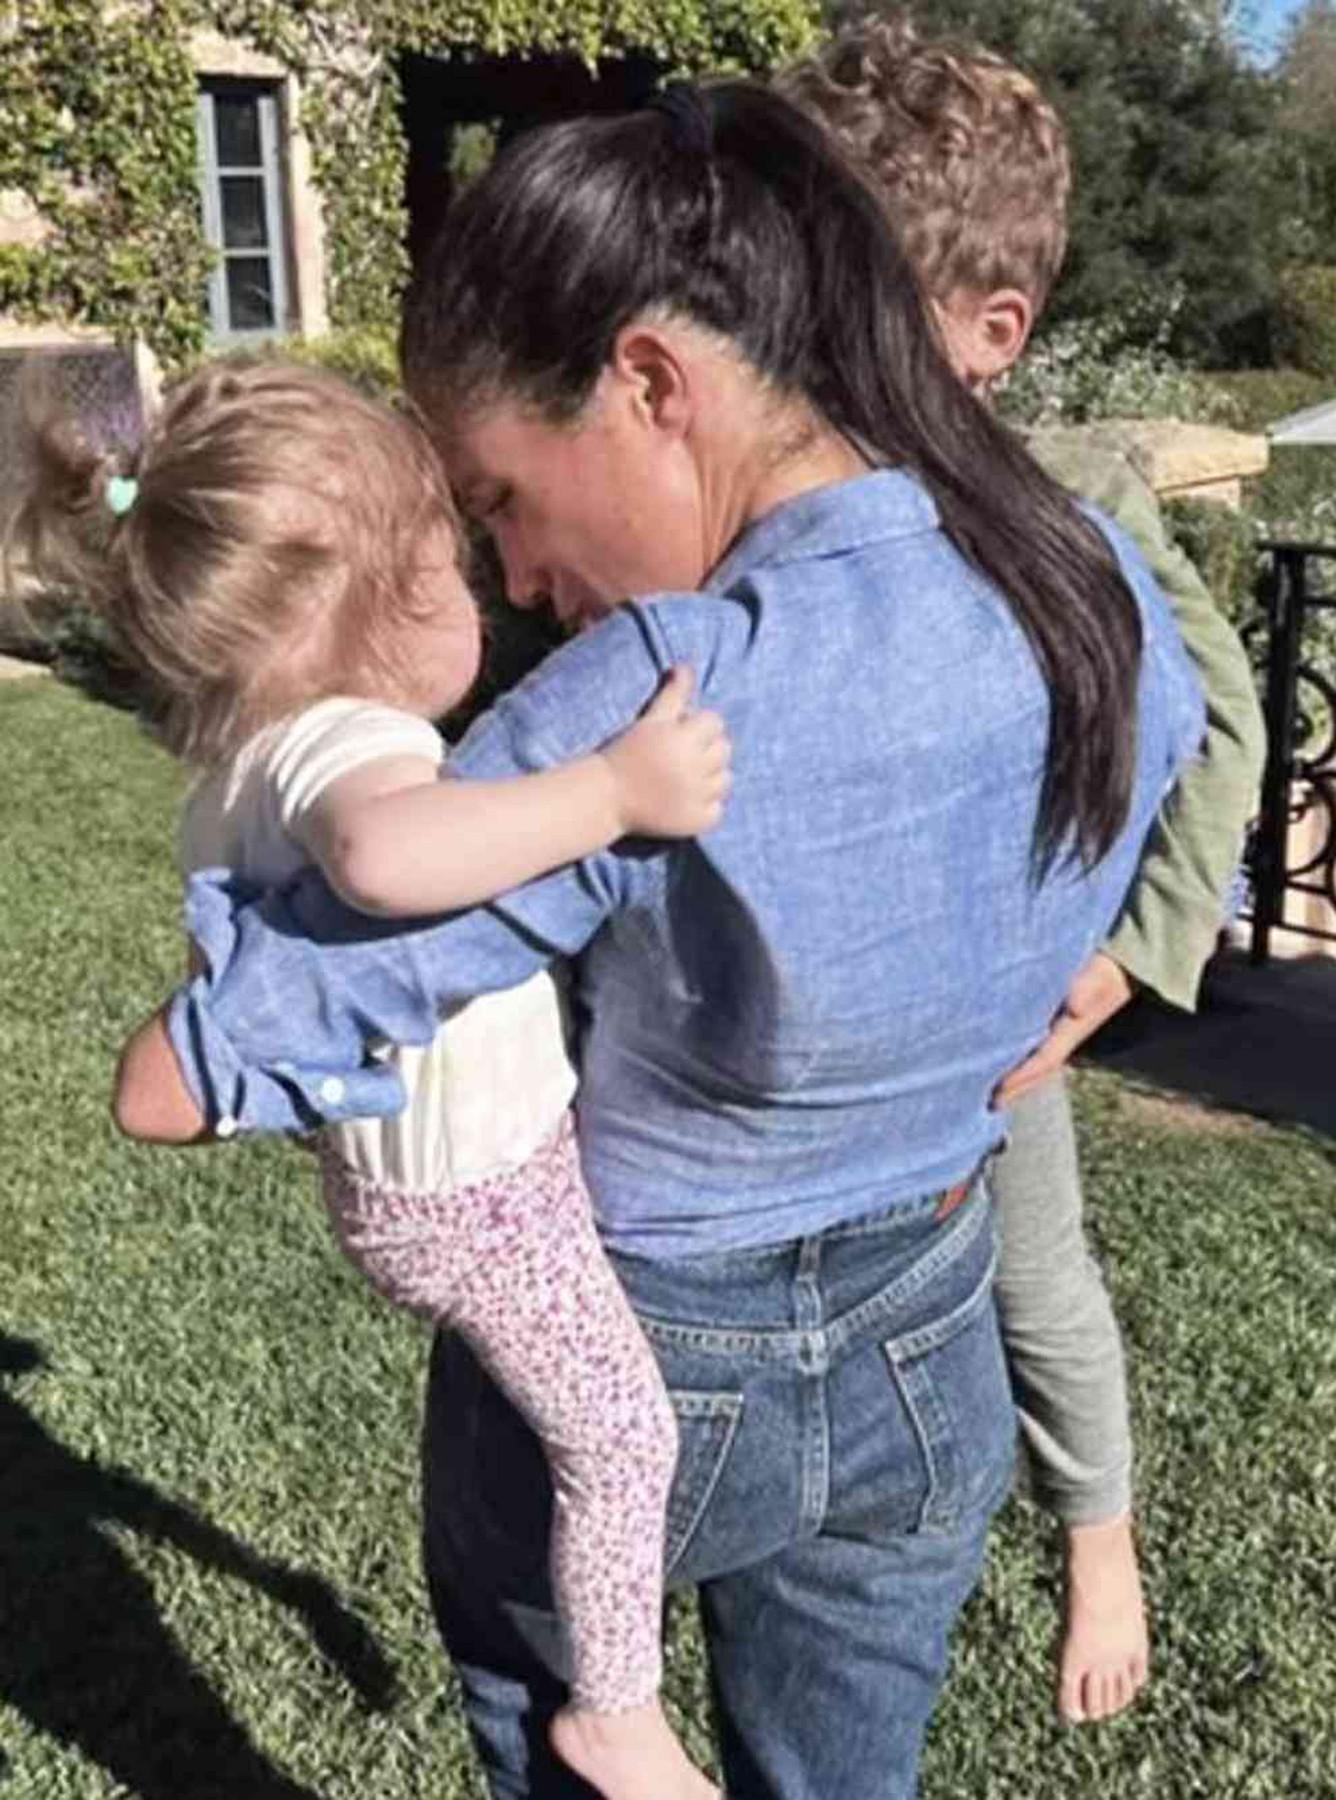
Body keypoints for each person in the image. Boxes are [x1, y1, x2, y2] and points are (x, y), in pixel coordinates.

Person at [113, 82, 1206, 1798]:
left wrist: (188, 1051)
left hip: (644, 1347)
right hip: (934, 1317)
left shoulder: (656, 691)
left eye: (504, 499)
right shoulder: (1090, 584)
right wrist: (1087, 970)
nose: (515, 577)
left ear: (648, 383)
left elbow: (225, 1060)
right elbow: (1181, 757)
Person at [9, 358, 732, 1800]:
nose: (483, 587)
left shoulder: (239, 772)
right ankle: (618, 1714)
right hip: (478, 1196)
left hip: (420, 1189)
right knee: (622, 1435)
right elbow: (387, 855)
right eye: (452, 558)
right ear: (387, 598)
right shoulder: (357, 741)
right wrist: (612, 792)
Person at [780, 15, 1267, 1726]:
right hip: (803, 1022)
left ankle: (1101, 1541)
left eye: (846, 303)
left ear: (992, 333)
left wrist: (1126, 957)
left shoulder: (1060, 502)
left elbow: (1226, 718)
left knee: (1038, 1277)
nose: (798, 338)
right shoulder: (756, 491)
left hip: (998, 999)